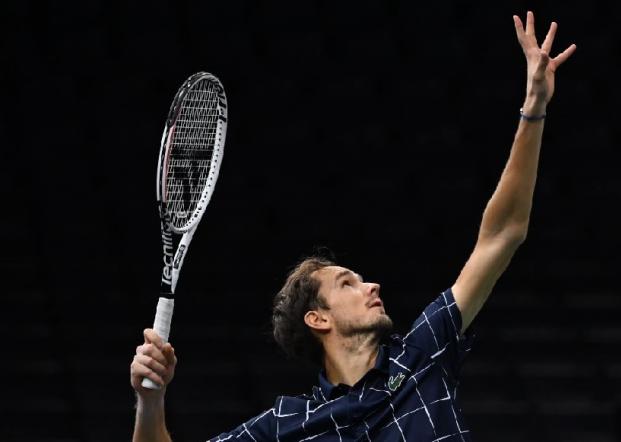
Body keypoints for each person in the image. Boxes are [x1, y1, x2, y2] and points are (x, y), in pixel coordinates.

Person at [130, 11, 576, 442]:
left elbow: (502, 235)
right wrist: (152, 400)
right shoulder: (286, 425)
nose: (371, 286)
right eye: (348, 284)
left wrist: (533, 110)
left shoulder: (422, 352)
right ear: (317, 318)